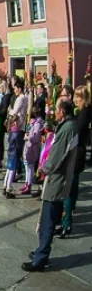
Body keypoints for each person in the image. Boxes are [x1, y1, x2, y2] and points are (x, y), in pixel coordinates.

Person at [23, 98, 78, 272]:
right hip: (59, 179)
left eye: (56, 109)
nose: (54, 112)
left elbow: (57, 157)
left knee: (48, 219)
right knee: (49, 218)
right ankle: (41, 251)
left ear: (62, 112)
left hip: (57, 180)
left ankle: (41, 259)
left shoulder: (67, 129)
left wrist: (44, 168)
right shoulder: (69, 127)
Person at [60, 88, 89, 237]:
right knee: (72, 189)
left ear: (83, 98)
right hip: (76, 153)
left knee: (68, 191)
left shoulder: (84, 114)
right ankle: (67, 217)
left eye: (78, 98)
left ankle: (67, 223)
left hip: (76, 154)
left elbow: (75, 132)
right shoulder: (80, 112)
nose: (75, 100)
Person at [1, 114, 24, 198]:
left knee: (8, 170)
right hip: (14, 153)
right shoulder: (17, 133)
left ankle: (4, 185)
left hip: (10, 153)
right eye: (18, 121)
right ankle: (8, 188)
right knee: (12, 171)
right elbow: (19, 145)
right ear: (14, 123)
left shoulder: (11, 131)